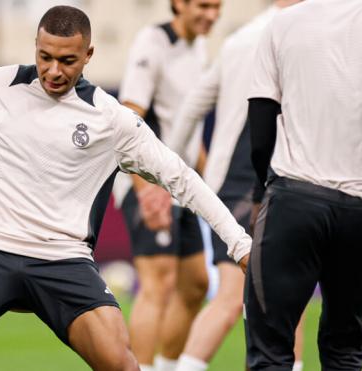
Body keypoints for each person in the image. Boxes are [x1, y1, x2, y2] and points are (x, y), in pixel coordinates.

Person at [0, 5, 252, 371]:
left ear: (88, 55)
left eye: (66, 60)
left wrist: (239, 244)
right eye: (45, 56)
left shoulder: (111, 119)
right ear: (35, 46)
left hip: (64, 259)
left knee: (121, 362)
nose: (53, 70)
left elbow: (182, 179)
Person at [245, 0, 362, 369]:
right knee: (345, 351)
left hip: (293, 199)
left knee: (270, 352)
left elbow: (261, 121)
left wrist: (263, 188)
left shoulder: (281, 24)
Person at [165, 2, 303, 370]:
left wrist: (168, 175)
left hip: (229, 183)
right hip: (275, 181)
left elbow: (193, 107)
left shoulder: (239, 40)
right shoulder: (304, 33)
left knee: (263, 299)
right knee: (247, 300)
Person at [114, 1, 221, 369]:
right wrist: (145, 191)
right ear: (179, 4)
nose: (211, 14)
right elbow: (128, 116)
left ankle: (167, 366)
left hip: (182, 185)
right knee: (157, 283)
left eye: (217, 6)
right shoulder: (153, 41)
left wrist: (214, 185)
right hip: (149, 184)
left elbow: (188, 133)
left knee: (195, 285)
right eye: (203, 6)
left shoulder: (200, 48)